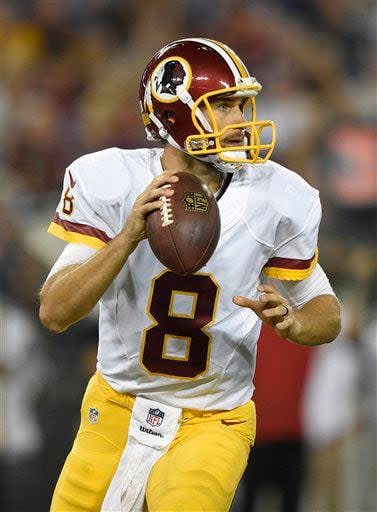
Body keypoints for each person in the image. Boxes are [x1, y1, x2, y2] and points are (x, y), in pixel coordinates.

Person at [39, 38, 341, 512]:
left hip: (213, 419)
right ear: (176, 114)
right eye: (224, 106)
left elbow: (328, 314)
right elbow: (55, 312)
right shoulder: (112, 181)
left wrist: (296, 323)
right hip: (114, 406)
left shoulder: (276, 196)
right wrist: (125, 240)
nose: (242, 121)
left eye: (243, 105)